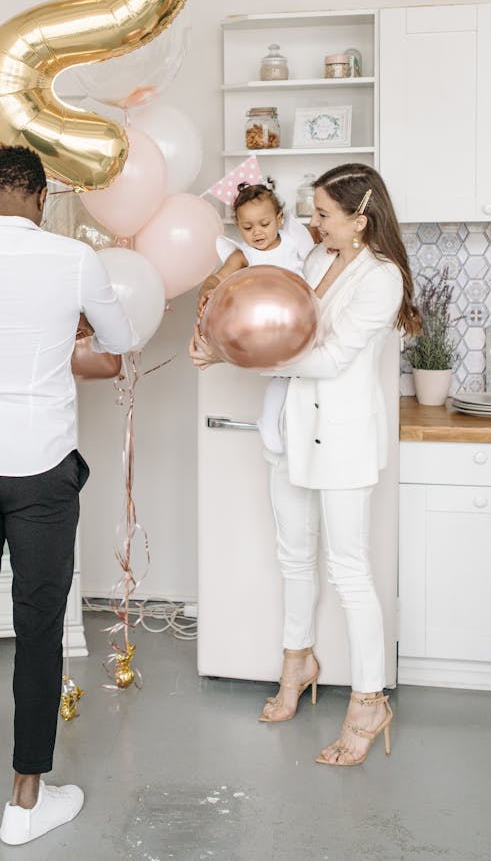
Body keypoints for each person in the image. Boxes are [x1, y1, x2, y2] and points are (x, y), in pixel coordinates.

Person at [0, 145, 136, 844]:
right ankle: (25, 798)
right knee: (39, 624)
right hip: (41, 469)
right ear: (43, 198)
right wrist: (66, 323)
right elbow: (122, 337)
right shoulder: (72, 258)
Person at [190, 163, 419, 767]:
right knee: (293, 555)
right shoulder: (316, 262)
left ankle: (369, 701)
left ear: (358, 220)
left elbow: (331, 356)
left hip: (342, 440)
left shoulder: (381, 278)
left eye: (321, 214)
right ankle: (298, 661)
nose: (310, 225)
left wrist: (240, 360)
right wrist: (219, 341)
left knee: (349, 570)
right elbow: (277, 323)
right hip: (293, 432)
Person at [196, 179, 315, 453]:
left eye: (264, 224)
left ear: (279, 219)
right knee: (282, 376)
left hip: (295, 323)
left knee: (298, 377)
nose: (257, 233)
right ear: (238, 227)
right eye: (247, 227)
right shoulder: (243, 255)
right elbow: (216, 279)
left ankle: (287, 428)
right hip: (261, 328)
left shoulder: (294, 243)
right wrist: (208, 292)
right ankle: (270, 422)